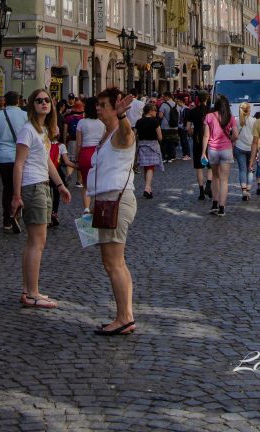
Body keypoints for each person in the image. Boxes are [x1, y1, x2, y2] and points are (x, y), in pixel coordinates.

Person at [11, 88, 71, 309]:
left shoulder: (42, 131)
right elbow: (19, 163)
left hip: (43, 185)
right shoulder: (27, 130)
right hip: (32, 186)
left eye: (47, 100)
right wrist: (16, 195)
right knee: (38, 242)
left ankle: (29, 289)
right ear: (31, 105)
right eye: (39, 101)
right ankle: (33, 294)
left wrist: (60, 185)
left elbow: (47, 161)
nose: (44, 103)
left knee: (33, 242)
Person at [88, 89, 137, 335]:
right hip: (106, 201)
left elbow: (128, 134)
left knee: (113, 263)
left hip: (114, 201)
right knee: (116, 263)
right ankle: (125, 315)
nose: (98, 108)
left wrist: (122, 117)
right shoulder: (107, 134)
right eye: (97, 104)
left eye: (103, 105)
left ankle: (124, 318)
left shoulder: (120, 133)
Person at [0, 90, 27, 233]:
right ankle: (16, 214)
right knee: (19, 187)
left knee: (7, 188)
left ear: (5, 101)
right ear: (18, 101)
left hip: (3, 157)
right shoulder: (24, 115)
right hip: (20, 157)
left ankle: (7, 220)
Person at [202, 94, 237, 216]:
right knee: (224, 180)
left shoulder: (209, 116)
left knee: (215, 177)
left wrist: (203, 153)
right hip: (226, 149)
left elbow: (206, 136)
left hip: (213, 149)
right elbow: (236, 135)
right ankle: (222, 207)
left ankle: (214, 204)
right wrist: (230, 139)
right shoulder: (230, 117)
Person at [75, 97, 105, 213]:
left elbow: (78, 143)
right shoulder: (102, 123)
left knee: (86, 184)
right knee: (98, 183)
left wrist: (77, 159)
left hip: (85, 153)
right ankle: (97, 207)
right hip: (98, 152)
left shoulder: (81, 122)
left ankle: (86, 208)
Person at [135, 102, 163, 198]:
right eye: (155, 110)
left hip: (142, 145)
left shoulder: (139, 122)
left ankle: (149, 189)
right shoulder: (155, 121)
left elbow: (135, 136)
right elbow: (160, 137)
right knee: (150, 167)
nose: (156, 112)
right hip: (152, 145)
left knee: (146, 167)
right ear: (150, 111)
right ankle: (147, 188)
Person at [185, 90, 210, 200]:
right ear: (207, 98)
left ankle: (201, 192)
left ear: (197, 99)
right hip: (209, 140)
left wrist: (192, 133)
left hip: (197, 140)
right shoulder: (210, 111)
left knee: (198, 167)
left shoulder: (192, 111)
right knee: (210, 165)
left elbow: (187, 128)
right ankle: (209, 185)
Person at [234, 102, 256, 201]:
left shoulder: (236, 120)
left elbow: (234, 135)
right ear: (249, 109)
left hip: (239, 147)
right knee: (250, 169)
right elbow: (256, 137)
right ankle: (248, 190)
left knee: (242, 169)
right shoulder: (254, 121)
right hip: (251, 148)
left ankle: (243, 190)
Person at [63, 93, 85, 183]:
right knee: (79, 161)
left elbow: (65, 131)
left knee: (70, 160)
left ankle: (68, 175)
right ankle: (79, 181)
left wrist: (64, 142)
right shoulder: (83, 119)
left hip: (71, 141)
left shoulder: (68, 118)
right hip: (81, 142)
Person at [158, 91, 180, 163]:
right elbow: (179, 116)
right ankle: (172, 157)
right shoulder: (176, 105)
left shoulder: (163, 105)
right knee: (172, 142)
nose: (163, 97)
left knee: (164, 142)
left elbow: (160, 116)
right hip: (174, 127)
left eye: (164, 96)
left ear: (167, 96)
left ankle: (164, 157)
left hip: (165, 126)